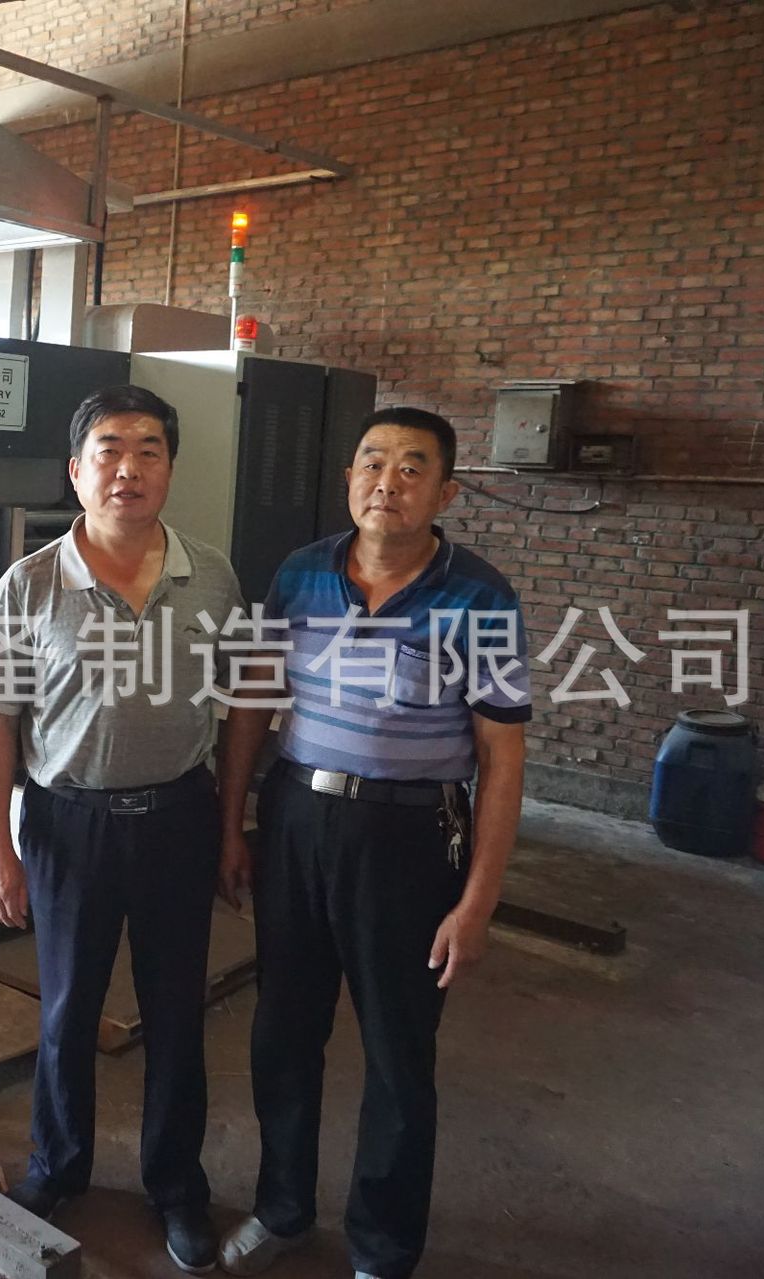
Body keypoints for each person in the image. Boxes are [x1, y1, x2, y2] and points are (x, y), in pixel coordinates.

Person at [213, 407, 530, 1279]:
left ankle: (383, 1249)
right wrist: (232, 824)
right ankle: (282, 1208)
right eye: (372, 462)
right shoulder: (301, 573)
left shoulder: (480, 596)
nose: (387, 482)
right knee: (284, 1029)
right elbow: (253, 700)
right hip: (297, 819)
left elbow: (502, 760)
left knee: (398, 1050)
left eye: (412, 468)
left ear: (446, 492)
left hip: (410, 836)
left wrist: (478, 902)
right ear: (349, 478)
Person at [0, 383, 245, 1274]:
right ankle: (57, 1167)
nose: (129, 468)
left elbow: (245, 699)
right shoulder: (31, 583)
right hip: (69, 825)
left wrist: (232, 827)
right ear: (76, 470)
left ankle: (177, 1185)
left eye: (149, 450)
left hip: (178, 820)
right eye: (110, 450)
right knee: (66, 1010)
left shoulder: (212, 575)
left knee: (176, 1013)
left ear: (170, 467)